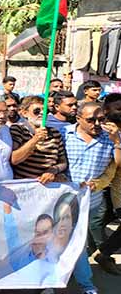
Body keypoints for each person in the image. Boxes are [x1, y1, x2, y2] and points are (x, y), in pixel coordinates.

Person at [62, 102, 120, 262]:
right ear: (78, 118)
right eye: (90, 120)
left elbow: (118, 164)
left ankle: (96, 260)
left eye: (100, 119)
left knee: (87, 233)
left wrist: (116, 140)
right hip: (63, 199)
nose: (96, 124)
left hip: (93, 199)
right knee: (63, 237)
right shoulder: (64, 133)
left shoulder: (110, 137)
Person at [10, 95, 68, 182]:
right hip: (24, 184)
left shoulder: (55, 133)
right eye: (37, 111)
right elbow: (14, 160)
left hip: (47, 184)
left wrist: (53, 170)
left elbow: (63, 162)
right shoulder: (18, 129)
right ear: (25, 113)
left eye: (45, 111)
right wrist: (35, 139)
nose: (42, 113)